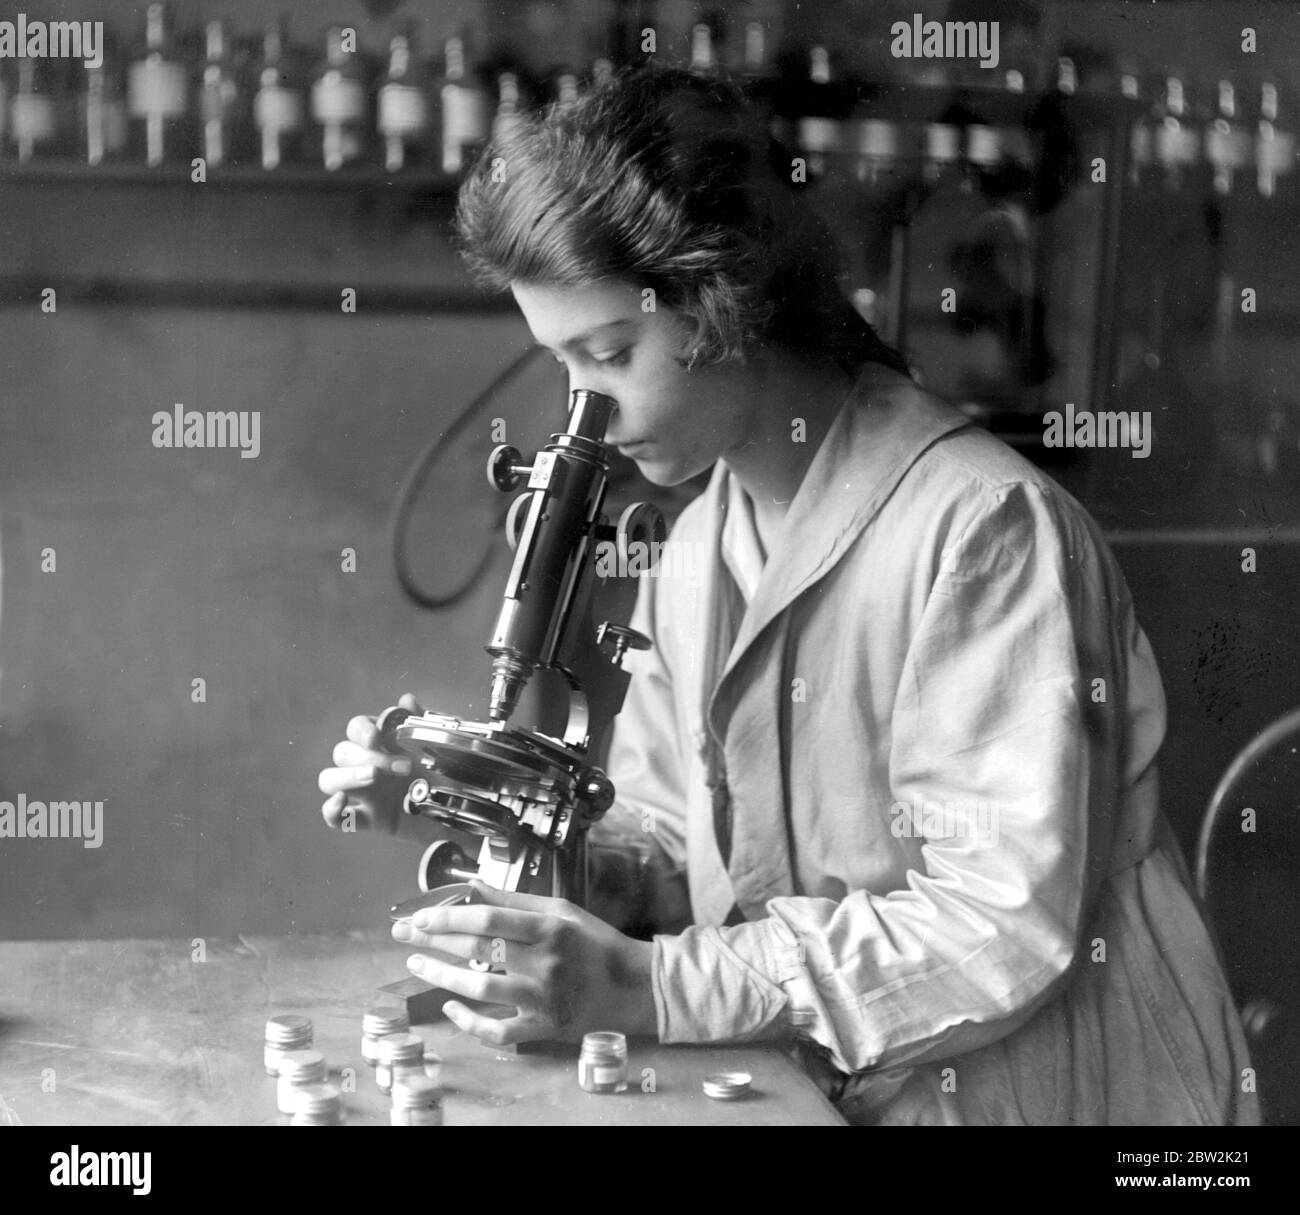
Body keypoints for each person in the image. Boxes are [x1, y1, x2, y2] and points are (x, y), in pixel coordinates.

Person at [317, 66, 1257, 1126]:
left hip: (1060, 1097)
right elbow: (679, 853)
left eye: (610, 355)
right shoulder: (700, 544)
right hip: (831, 1088)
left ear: (725, 301)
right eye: (562, 365)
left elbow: (996, 928)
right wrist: (504, 824)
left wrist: (645, 987)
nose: (586, 411)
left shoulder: (978, 531)